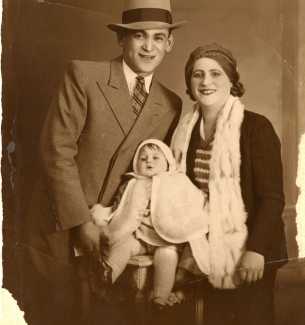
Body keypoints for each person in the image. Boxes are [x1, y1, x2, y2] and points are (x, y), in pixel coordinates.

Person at [22, 1, 185, 324]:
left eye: (157, 37)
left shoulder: (170, 103)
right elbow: (56, 152)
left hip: (116, 234)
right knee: (55, 312)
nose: (148, 47)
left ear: (169, 43)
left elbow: (153, 176)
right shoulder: (84, 75)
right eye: (139, 36)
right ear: (121, 40)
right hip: (62, 222)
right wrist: (81, 220)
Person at [171, 43, 288, 325]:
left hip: (252, 248)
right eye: (197, 75)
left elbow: (272, 197)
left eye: (216, 74)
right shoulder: (182, 131)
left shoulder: (255, 127)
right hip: (205, 245)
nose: (206, 82)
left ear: (232, 81)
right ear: (189, 82)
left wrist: (256, 250)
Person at [87, 139, 208, 310]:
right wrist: (106, 215)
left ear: (168, 163)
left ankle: (160, 297)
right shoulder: (132, 184)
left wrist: (205, 209)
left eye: (155, 157)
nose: (149, 161)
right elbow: (120, 208)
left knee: (167, 257)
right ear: (136, 164)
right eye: (143, 159)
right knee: (123, 245)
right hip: (139, 236)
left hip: (165, 239)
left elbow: (194, 199)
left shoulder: (178, 180)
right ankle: (108, 273)